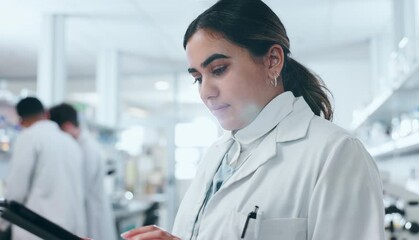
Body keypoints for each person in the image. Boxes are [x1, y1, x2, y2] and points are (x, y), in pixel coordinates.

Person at [121, 0, 385, 239]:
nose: (205, 92)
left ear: (272, 60)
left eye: (219, 70)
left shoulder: (335, 153)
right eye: (198, 78)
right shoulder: (216, 155)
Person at [1, 97, 86, 240]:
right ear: (46, 114)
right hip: (68, 229)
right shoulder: (70, 142)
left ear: (21, 121)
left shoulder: (28, 137)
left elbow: (17, 189)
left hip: (36, 229)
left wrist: (2, 222)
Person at [49, 103, 117, 240]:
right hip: (90, 215)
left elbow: (80, 190)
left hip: (92, 218)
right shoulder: (83, 145)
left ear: (67, 126)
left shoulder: (86, 150)